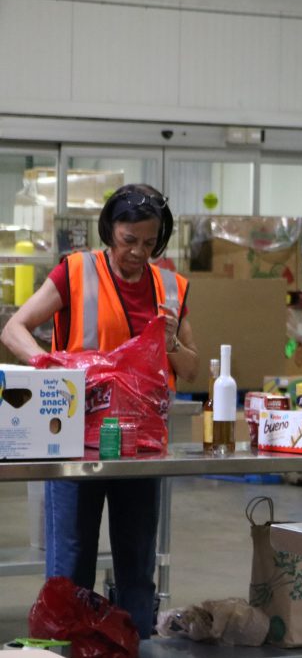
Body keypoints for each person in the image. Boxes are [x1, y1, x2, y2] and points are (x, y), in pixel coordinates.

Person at [1, 183, 198, 638]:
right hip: (75, 441)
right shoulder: (75, 272)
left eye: (149, 243)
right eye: (129, 240)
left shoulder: (171, 287)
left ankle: (131, 644)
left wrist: (171, 343)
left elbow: (191, 367)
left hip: (140, 446)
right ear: (110, 230)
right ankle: (66, 642)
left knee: (137, 563)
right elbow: (15, 328)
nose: (137, 252)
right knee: (70, 562)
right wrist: (50, 367)